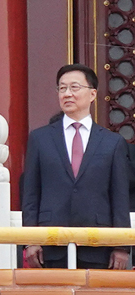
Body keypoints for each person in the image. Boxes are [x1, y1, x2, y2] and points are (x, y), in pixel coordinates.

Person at [21, 64, 131, 269]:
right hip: (51, 243)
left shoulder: (112, 142)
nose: (67, 94)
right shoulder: (40, 138)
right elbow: (31, 193)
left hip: (98, 242)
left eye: (74, 87)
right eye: (62, 89)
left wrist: (122, 246)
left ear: (92, 94)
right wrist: (31, 238)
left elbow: (119, 196)